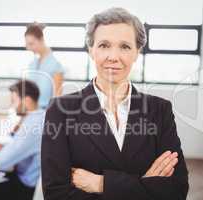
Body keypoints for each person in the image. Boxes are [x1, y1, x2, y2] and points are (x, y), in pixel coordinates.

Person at [41, 7, 189, 200]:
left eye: (125, 47)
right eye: (104, 45)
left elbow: (176, 190)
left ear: (137, 52)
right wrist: (144, 185)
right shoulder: (60, 111)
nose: (113, 56)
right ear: (91, 50)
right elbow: (56, 194)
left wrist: (101, 184)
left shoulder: (160, 110)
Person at [0, 80, 45, 200]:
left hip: (25, 188)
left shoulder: (31, 127)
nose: (12, 106)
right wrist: (6, 147)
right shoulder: (40, 116)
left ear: (27, 101)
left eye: (14, 101)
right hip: (29, 178)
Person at [24, 22, 65, 108]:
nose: (28, 48)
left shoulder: (56, 66)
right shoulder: (32, 64)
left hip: (45, 114)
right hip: (30, 112)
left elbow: (57, 98)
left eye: (31, 44)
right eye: (27, 44)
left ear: (41, 40)